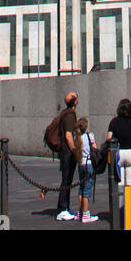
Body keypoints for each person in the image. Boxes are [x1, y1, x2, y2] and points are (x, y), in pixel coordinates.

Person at [105, 98, 131, 222]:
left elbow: (109, 138)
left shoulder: (114, 121)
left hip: (118, 153)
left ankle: (119, 211)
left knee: (119, 183)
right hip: (130, 151)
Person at [55, 91, 81, 222]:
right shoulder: (70, 116)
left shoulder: (65, 114)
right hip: (67, 152)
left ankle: (65, 208)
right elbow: (68, 136)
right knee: (66, 180)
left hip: (65, 151)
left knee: (68, 180)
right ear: (75, 101)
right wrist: (75, 151)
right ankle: (62, 209)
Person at [76, 116, 99, 223]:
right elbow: (95, 149)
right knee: (87, 190)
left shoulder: (78, 137)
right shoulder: (90, 136)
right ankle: (86, 215)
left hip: (81, 164)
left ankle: (80, 213)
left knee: (81, 189)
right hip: (89, 164)